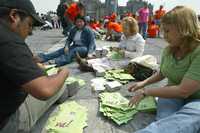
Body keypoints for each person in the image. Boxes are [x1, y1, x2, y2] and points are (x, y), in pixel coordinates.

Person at [0, 0, 72, 132]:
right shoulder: (8, 39)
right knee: (58, 85)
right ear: (14, 16)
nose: (31, 32)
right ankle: (66, 90)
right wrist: (64, 73)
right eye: (29, 25)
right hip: (7, 122)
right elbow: (45, 90)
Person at [128, 6, 200, 133]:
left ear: (184, 29)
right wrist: (143, 83)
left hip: (197, 100)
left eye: (167, 31)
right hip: (172, 94)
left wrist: (146, 92)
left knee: (188, 118)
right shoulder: (169, 49)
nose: (163, 35)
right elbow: (162, 73)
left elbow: (184, 91)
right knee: (166, 121)